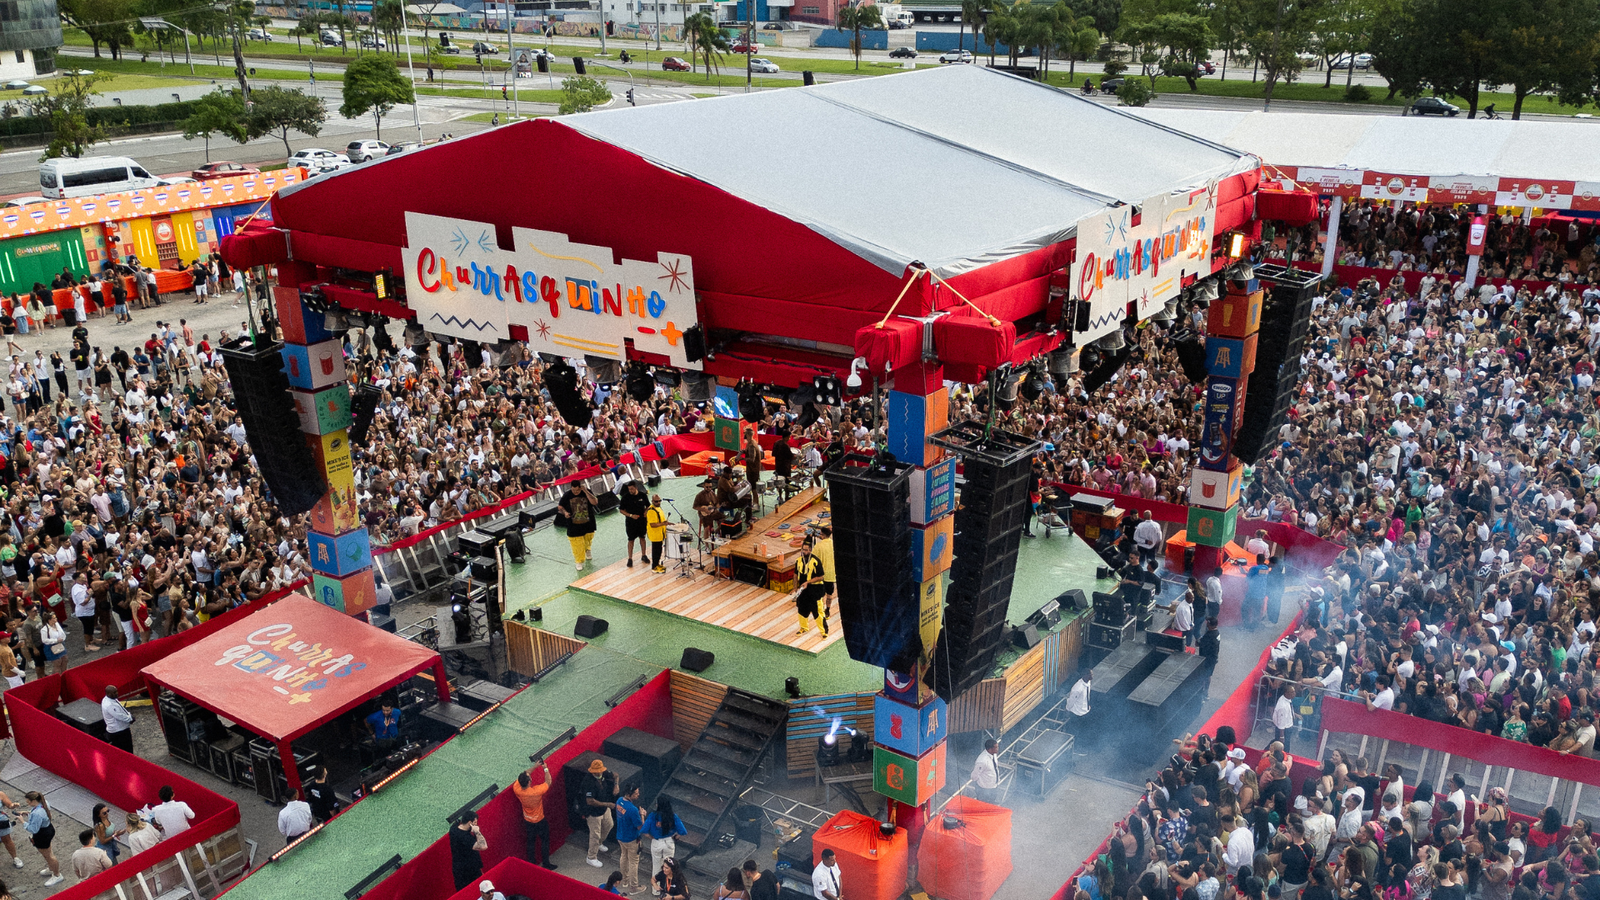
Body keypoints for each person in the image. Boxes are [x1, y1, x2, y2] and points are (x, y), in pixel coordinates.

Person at [512, 761, 555, 869]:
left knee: (531, 842)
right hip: (540, 820)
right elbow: (548, 781)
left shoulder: (517, 789)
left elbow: (525, 774)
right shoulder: (536, 791)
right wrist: (545, 768)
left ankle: (532, 863)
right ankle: (546, 863)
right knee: (545, 841)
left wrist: (535, 766)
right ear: (529, 782)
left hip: (528, 821)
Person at [583, 758, 617, 868]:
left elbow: (616, 775)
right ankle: (591, 857)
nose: (598, 773)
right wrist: (607, 804)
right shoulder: (588, 782)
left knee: (609, 825)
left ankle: (599, 844)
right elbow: (590, 801)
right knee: (595, 835)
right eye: (596, 772)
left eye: (600, 771)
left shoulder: (604, 773)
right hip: (593, 812)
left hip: (604, 809)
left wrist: (616, 785)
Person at [643, 797, 687, 879]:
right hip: (669, 841)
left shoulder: (653, 816)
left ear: (658, 805)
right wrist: (676, 836)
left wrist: (651, 837)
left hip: (656, 842)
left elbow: (644, 831)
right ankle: (668, 885)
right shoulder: (673, 816)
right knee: (669, 866)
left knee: (656, 865)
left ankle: (656, 886)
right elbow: (683, 831)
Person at [23, 792, 60, 886]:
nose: (28, 804)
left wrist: (22, 821)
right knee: (48, 853)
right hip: (48, 830)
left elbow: (33, 829)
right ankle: (51, 868)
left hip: (42, 835)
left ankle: (57, 875)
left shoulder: (37, 813)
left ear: (33, 801)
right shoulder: (44, 803)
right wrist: (29, 814)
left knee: (49, 856)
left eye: (28, 802)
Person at [560, 481, 599, 570]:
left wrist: (585, 491)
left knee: (588, 538)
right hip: (574, 523)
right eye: (573, 490)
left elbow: (594, 502)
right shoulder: (567, 495)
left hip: (588, 521)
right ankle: (579, 561)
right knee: (576, 543)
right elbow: (560, 507)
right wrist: (565, 512)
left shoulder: (586, 492)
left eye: (577, 490)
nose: (575, 492)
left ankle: (587, 549)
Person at [616, 783, 645, 893]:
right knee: (633, 863)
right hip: (631, 839)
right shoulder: (633, 809)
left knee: (623, 856)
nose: (638, 795)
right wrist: (642, 814)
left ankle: (625, 881)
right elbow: (641, 827)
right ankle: (634, 887)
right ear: (629, 794)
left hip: (620, 836)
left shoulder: (619, 801)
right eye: (636, 793)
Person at [793, 543, 827, 635]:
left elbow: (821, 577)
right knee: (801, 609)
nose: (804, 552)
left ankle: (824, 632)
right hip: (803, 590)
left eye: (806, 550)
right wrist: (795, 587)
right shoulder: (798, 561)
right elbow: (795, 574)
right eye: (803, 550)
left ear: (810, 550)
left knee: (818, 612)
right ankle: (804, 627)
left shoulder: (816, 561)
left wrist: (808, 582)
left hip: (815, 590)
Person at [449, 810, 486, 890]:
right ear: (470, 822)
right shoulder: (466, 838)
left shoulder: (453, 829)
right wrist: (477, 832)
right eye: (475, 822)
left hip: (458, 870)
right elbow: (483, 846)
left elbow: (456, 823)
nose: (476, 824)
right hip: (470, 871)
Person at [619, 480, 649, 568]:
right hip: (631, 522)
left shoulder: (643, 495)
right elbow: (621, 510)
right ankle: (630, 558)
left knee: (642, 538)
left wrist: (646, 512)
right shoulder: (625, 497)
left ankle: (644, 555)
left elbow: (648, 505)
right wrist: (631, 515)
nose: (630, 491)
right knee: (631, 540)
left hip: (642, 521)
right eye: (629, 489)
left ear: (636, 488)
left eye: (632, 489)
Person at [101, 685, 134, 753]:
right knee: (127, 750)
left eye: (116, 691)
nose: (117, 693)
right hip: (119, 731)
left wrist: (129, 715)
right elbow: (119, 715)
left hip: (117, 730)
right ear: (108, 693)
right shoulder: (109, 705)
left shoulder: (109, 699)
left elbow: (121, 708)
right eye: (114, 692)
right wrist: (130, 719)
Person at [970, 738, 1001, 803]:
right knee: (983, 805)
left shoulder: (994, 754)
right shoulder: (982, 761)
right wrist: (981, 782)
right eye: (996, 747)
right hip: (984, 789)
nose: (998, 749)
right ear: (990, 749)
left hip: (993, 786)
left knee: (992, 803)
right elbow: (974, 775)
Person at [646, 494, 668, 574]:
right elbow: (653, 524)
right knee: (656, 551)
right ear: (652, 501)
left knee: (659, 550)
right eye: (656, 501)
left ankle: (657, 564)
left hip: (660, 534)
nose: (658, 502)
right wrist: (663, 524)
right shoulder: (651, 511)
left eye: (659, 501)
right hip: (655, 535)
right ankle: (654, 567)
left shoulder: (658, 508)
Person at [1274, 685, 1298, 752]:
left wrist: (1294, 714)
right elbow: (1281, 723)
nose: (1294, 693)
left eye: (1294, 691)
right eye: (1292, 692)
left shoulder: (1286, 699)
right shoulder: (1283, 707)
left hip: (1287, 726)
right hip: (1285, 730)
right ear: (1286, 693)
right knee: (1284, 746)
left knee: (1278, 742)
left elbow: (1288, 711)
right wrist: (1282, 736)